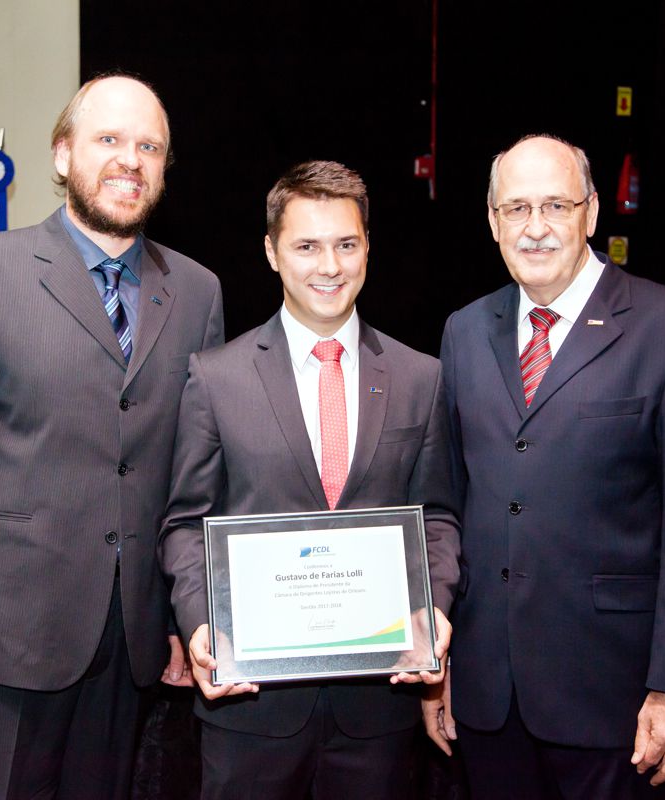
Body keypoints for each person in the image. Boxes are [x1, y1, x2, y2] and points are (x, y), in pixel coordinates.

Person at [0, 74, 223, 800]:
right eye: (109, 139)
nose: (130, 160)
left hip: (133, 642)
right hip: (2, 639)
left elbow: (192, 480)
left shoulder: (198, 292)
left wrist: (185, 614)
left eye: (149, 146)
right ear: (61, 154)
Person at [425, 134, 665, 799]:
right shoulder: (464, 331)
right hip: (487, 694)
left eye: (556, 206)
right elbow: (448, 504)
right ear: (492, 220)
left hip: (612, 701)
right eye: (516, 209)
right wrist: (437, 665)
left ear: (591, 212)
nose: (535, 228)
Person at [159, 161, 461, 800]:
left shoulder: (420, 378)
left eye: (346, 244)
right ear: (271, 252)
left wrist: (433, 605)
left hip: (376, 713)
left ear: (368, 248)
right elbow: (187, 522)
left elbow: (437, 517)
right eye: (307, 246)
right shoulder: (217, 378)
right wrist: (199, 622)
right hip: (249, 710)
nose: (330, 265)